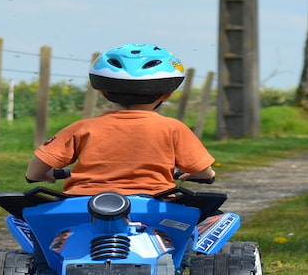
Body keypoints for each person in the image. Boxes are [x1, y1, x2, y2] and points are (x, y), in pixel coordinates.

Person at [26, 44, 216, 195]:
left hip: (84, 202)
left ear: (101, 92)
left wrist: (43, 174)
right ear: (167, 94)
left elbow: (36, 169)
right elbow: (203, 171)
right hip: (153, 203)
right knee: (202, 220)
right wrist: (199, 175)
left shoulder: (82, 128)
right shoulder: (173, 128)